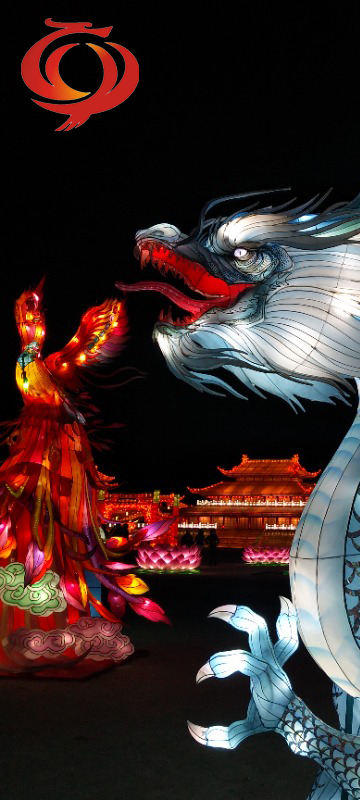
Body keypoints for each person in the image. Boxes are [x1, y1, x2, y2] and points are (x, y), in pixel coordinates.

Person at [0, 282, 167, 675]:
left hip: (54, 449)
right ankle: (30, 618)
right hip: (37, 447)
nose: (33, 319)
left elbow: (56, 391)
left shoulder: (55, 366)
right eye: (28, 315)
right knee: (24, 519)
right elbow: (32, 380)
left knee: (55, 528)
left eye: (35, 314)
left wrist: (87, 329)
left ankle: (52, 620)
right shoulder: (34, 364)